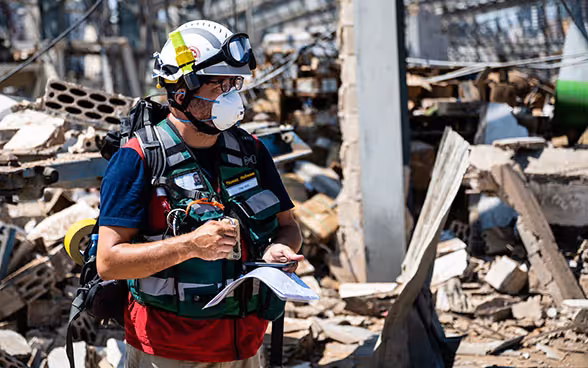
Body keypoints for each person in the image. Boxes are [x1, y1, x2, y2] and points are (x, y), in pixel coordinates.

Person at [96, 20, 303, 367]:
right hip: (167, 350)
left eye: (233, 83)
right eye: (217, 85)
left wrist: (281, 248)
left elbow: (289, 226)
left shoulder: (251, 151)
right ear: (181, 92)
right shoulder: (138, 158)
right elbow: (109, 262)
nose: (231, 95)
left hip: (245, 345)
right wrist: (190, 245)